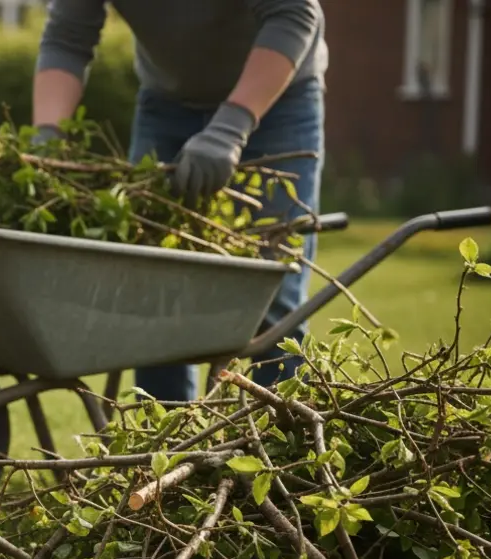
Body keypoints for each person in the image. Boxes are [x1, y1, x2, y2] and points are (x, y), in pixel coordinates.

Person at [33, 0, 328, 403]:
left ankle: (282, 455)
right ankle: (170, 451)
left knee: (271, 293)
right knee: (152, 291)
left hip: (279, 102)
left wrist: (232, 126)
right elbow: (68, 37)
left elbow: (293, 13)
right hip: (167, 105)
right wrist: (47, 139)